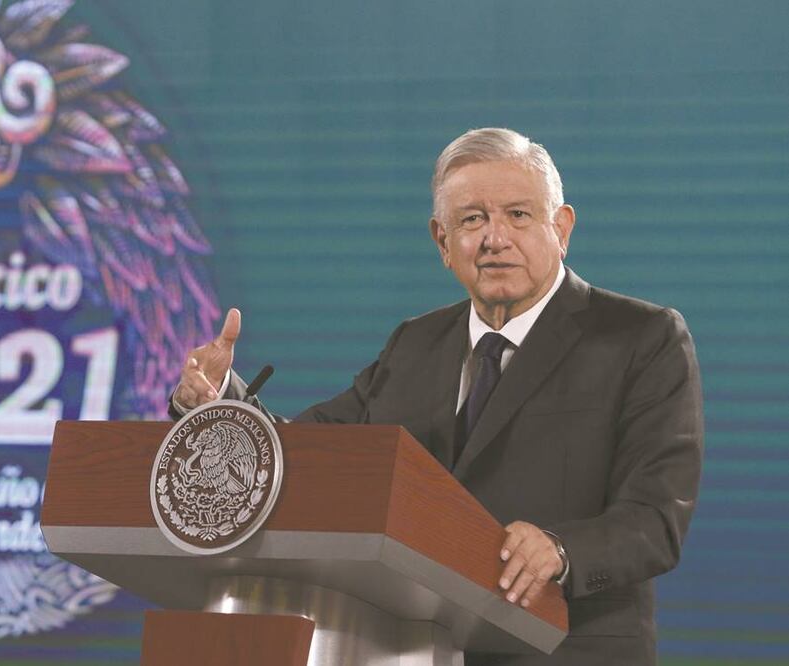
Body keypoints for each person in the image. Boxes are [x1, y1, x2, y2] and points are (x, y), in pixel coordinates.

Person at [170, 127, 703, 665]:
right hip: (406, 648)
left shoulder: (641, 337)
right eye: (472, 219)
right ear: (443, 242)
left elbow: (656, 518)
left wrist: (561, 549)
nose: (495, 237)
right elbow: (312, 453)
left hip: (565, 647)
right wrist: (221, 405)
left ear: (560, 228)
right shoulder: (414, 343)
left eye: (518, 215)